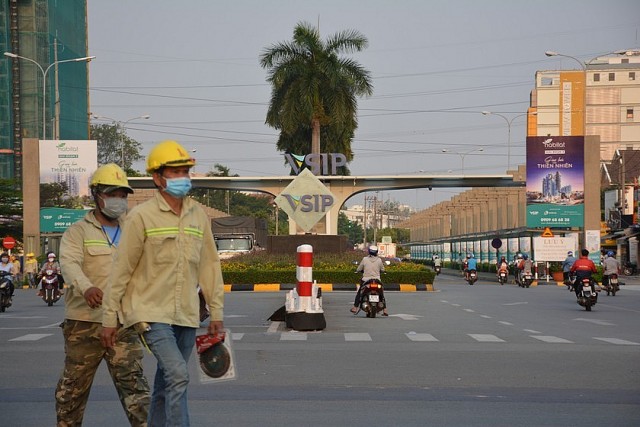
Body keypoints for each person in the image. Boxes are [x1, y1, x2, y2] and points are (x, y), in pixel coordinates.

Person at [101, 140, 225, 427]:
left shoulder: (198, 216)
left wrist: (216, 312)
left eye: (186, 172)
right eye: (175, 172)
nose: (183, 178)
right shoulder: (140, 217)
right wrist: (110, 317)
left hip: (186, 312)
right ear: (157, 178)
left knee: (166, 382)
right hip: (149, 312)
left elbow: (209, 264)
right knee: (179, 374)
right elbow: (121, 269)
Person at [56, 163, 150, 426]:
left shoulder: (133, 230)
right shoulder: (78, 232)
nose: (118, 200)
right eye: (112, 194)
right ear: (96, 195)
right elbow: (70, 264)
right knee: (72, 392)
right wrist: (86, 287)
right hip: (85, 323)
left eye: (122, 195)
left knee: (137, 394)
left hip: (124, 323)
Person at [351, 245, 388, 316]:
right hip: (377, 280)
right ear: (376, 252)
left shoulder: (365, 259)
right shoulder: (379, 260)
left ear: (369, 251)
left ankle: (355, 307)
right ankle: (385, 310)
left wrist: (357, 271)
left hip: (366, 280)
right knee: (381, 294)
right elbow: (382, 269)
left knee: (360, 293)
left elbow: (359, 269)